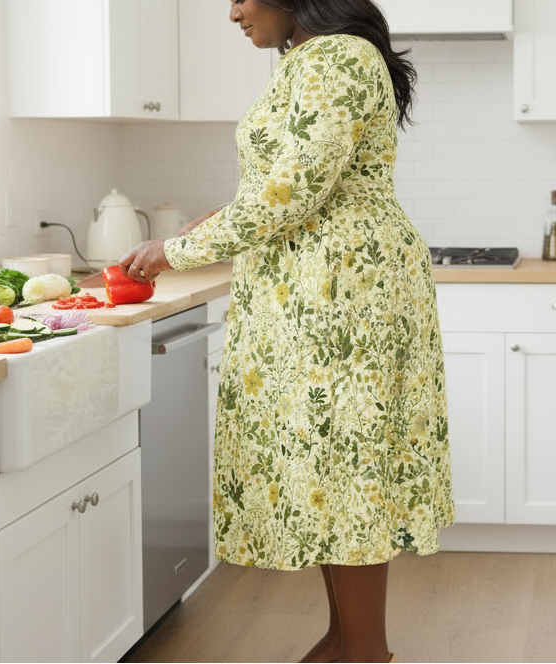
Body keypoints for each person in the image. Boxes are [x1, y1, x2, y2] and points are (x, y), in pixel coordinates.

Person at [119, 1, 453, 661]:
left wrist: (175, 251)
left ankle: (365, 651)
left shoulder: (337, 57)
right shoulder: (309, 58)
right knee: (325, 467)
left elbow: (292, 191)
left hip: (341, 292)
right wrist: (219, 218)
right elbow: (291, 182)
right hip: (318, 288)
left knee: (349, 466)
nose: (234, 10)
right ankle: (343, 639)